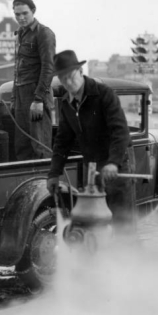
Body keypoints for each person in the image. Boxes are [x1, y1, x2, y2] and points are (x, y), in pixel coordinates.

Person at [46, 50, 137, 236]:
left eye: (70, 76)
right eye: (62, 79)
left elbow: (120, 130)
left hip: (116, 167)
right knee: (93, 223)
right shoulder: (66, 104)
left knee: (123, 222)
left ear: (80, 71)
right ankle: (98, 263)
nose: (68, 83)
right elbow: (62, 142)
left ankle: (129, 262)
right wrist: (54, 174)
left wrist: (113, 162)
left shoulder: (104, 94)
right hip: (92, 171)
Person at [10, 0, 56, 160]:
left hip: (36, 95)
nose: (21, 18)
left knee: (40, 146)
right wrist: (15, 98)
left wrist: (38, 99)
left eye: (25, 13)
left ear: (33, 11)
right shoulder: (21, 34)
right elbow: (18, 69)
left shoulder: (44, 33)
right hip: (22, 95)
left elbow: (48, 68)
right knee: (22, 145)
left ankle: (43, 185)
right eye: (17, 14)